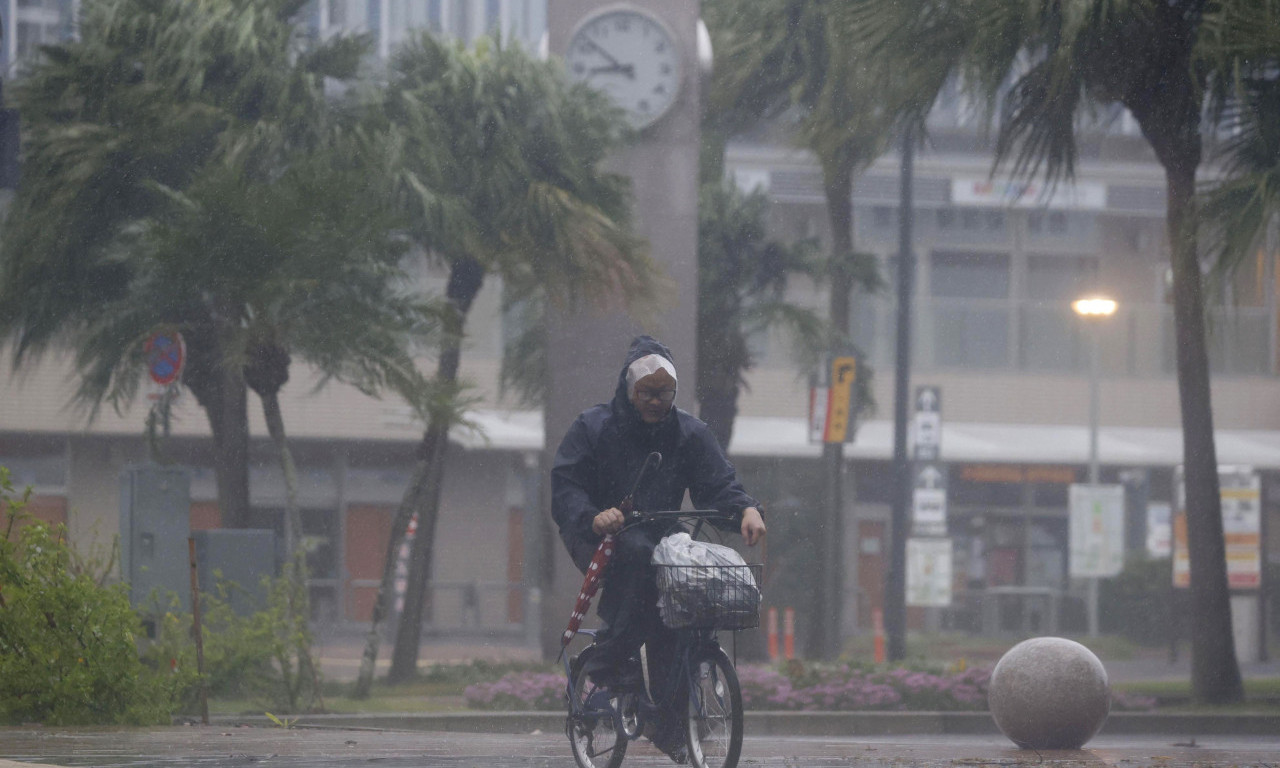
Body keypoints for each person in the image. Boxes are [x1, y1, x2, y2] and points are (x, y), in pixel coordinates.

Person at [552, 335, 766, 763]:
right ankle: (610, 659)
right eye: (647, 393)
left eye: (664, 394)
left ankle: (668, 725)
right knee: (633, 555)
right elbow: (566, 486)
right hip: (598, 536)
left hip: (662, 539)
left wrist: (745, 509)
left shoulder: (689, 432)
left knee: (678, 612)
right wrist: (594, 516)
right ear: (628, 390)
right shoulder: (592, 428)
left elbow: (718, 481)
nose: (655, 402)